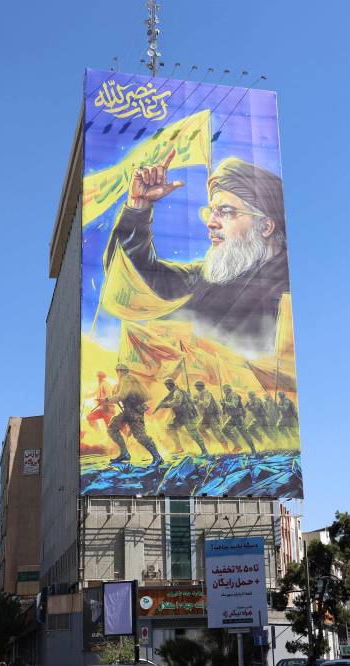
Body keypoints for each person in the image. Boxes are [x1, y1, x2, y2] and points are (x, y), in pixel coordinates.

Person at [105, 152, 290, 351]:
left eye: (226, 212)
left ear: (266, 227)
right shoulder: (204, 279)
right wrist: (138, 207)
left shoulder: (289, 290)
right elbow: (135, 279)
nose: (211, 223)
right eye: (211, 211)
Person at [104, 364, 164, 467]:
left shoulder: (126, 379)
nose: (117, 373)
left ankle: (158, 457)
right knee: (112, 428)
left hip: (134, 411)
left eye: (118, 371)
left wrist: (110, 399)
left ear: (120, 371)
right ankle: (124, 454)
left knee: (140, 436)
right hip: (129, 411)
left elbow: (122, 395)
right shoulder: (127, 379)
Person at [156, 377, 210, 457]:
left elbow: (177, 402)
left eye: (167, 385)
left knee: (194, 433)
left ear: (170, 385)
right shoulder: (175, 392)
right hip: (180, 416)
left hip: (188, 416)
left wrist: (165, 404)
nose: (166, 387)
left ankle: (204, 451)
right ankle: (179, 448)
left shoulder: (178, 392)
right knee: (170, 428)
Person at [193, 381, 230, 451]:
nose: (196, 388)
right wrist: (194, 402)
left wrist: (197, 401)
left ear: (201, 386)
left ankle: (226, 448)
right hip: (206, 416)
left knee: (216, 432)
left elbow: (206, 404)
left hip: (212, 415)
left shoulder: (207, 393)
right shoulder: (198, 394)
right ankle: (209, 444)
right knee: (200, 428)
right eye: (196, 386)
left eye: (197, 386)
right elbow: (198, 407)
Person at [220, 385, 256, 454]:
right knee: (224, 429)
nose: (224, 391)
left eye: (226, 389)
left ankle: (253, 449)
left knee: (244, 434)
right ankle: (237, 446)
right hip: (232, 417)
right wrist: (223, 406)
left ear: (229, 389)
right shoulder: (225, 397)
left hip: (238, 417)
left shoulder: (234, 395)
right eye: (224, 389)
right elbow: (225, 409)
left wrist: (225, 403)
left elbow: (234, 405)